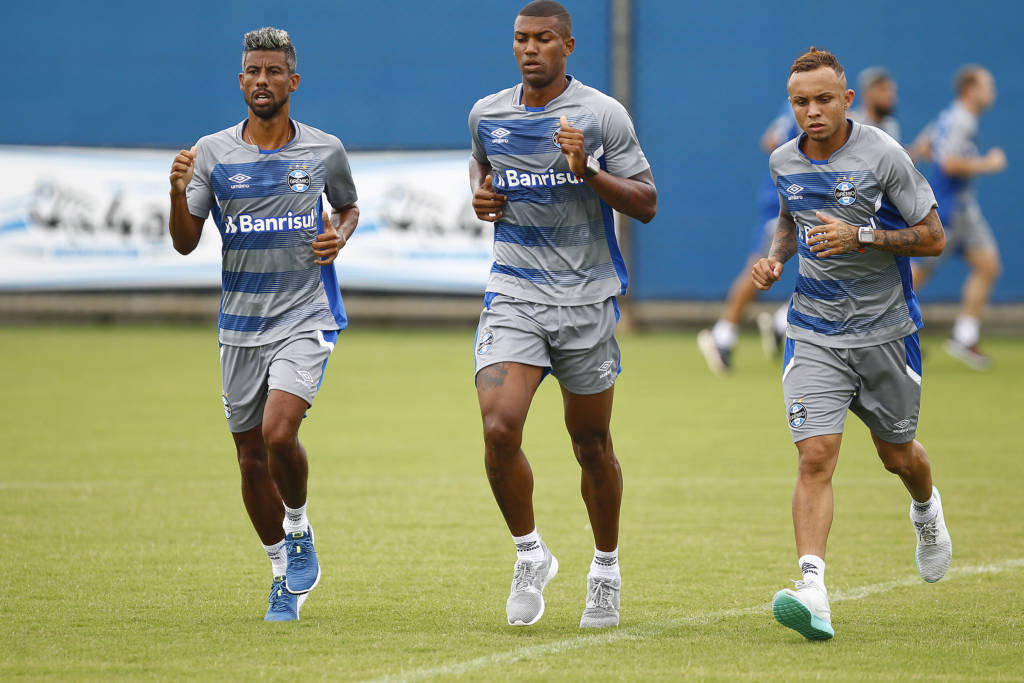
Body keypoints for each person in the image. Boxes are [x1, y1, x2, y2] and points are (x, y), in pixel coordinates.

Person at [752, 47, 952, 641]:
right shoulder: (783, 160)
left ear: (847, 101)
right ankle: (812, 588)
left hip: (886, 331)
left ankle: (926, 510)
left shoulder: (885, 156)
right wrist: (773, 259)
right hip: (814, 328)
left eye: (821, 100)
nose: (811, 112)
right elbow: (791, 222)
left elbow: (934, 237)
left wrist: (863, 233)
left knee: (898, 456)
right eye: (800, 102)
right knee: (816, 455)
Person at [468, 0, 656, 628]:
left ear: (568, 46)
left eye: (544, 39)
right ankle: (530, 554)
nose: (530, 49)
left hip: (585, 300)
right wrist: (482, 191)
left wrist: (589, 170)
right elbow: (482, 162)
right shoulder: (487, 113)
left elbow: (647, 203)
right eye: (521, 39)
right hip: (514, 293)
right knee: (498, 430)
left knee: (591, 443)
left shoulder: (602, 116)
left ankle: (605, 568)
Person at [168, 27, 359, 622]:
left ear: (292, 82)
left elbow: (349, 205)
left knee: (280, 434)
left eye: (273, 72)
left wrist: (340, 234)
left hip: (305, 315)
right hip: (239, 327)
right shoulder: (213, 154)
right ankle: (282, 569)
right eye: (253, 70)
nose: (262, 81)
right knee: (250, 457)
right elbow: (183, 242)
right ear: (241, 79)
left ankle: (298, 526)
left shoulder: (324, 151)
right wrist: (177, 194)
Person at [913, 65, 1006, 369]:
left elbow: (925, 146)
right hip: (949, 210)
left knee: (988, 265)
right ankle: (867, 323)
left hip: (964, 210)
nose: (991, 91)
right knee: (914, 276)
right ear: (970, 89)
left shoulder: (950, 116)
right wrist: (988, 164)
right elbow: (950, 164)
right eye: (987, 85)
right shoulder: (961, 120)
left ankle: (964, 338)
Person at [697, 102, 796, 375]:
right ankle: (723, 332)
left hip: (794, 198)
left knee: (829, 258)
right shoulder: (807, 109)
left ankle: (783, 320)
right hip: (784, 200)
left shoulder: (793, 107)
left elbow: (769, 141)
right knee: (762, 264)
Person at [849, 66, 901, 142]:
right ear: (866, 94)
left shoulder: (891, 125)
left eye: (891, 90)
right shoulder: (851, 125)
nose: (890, 95)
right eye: (883, 90)